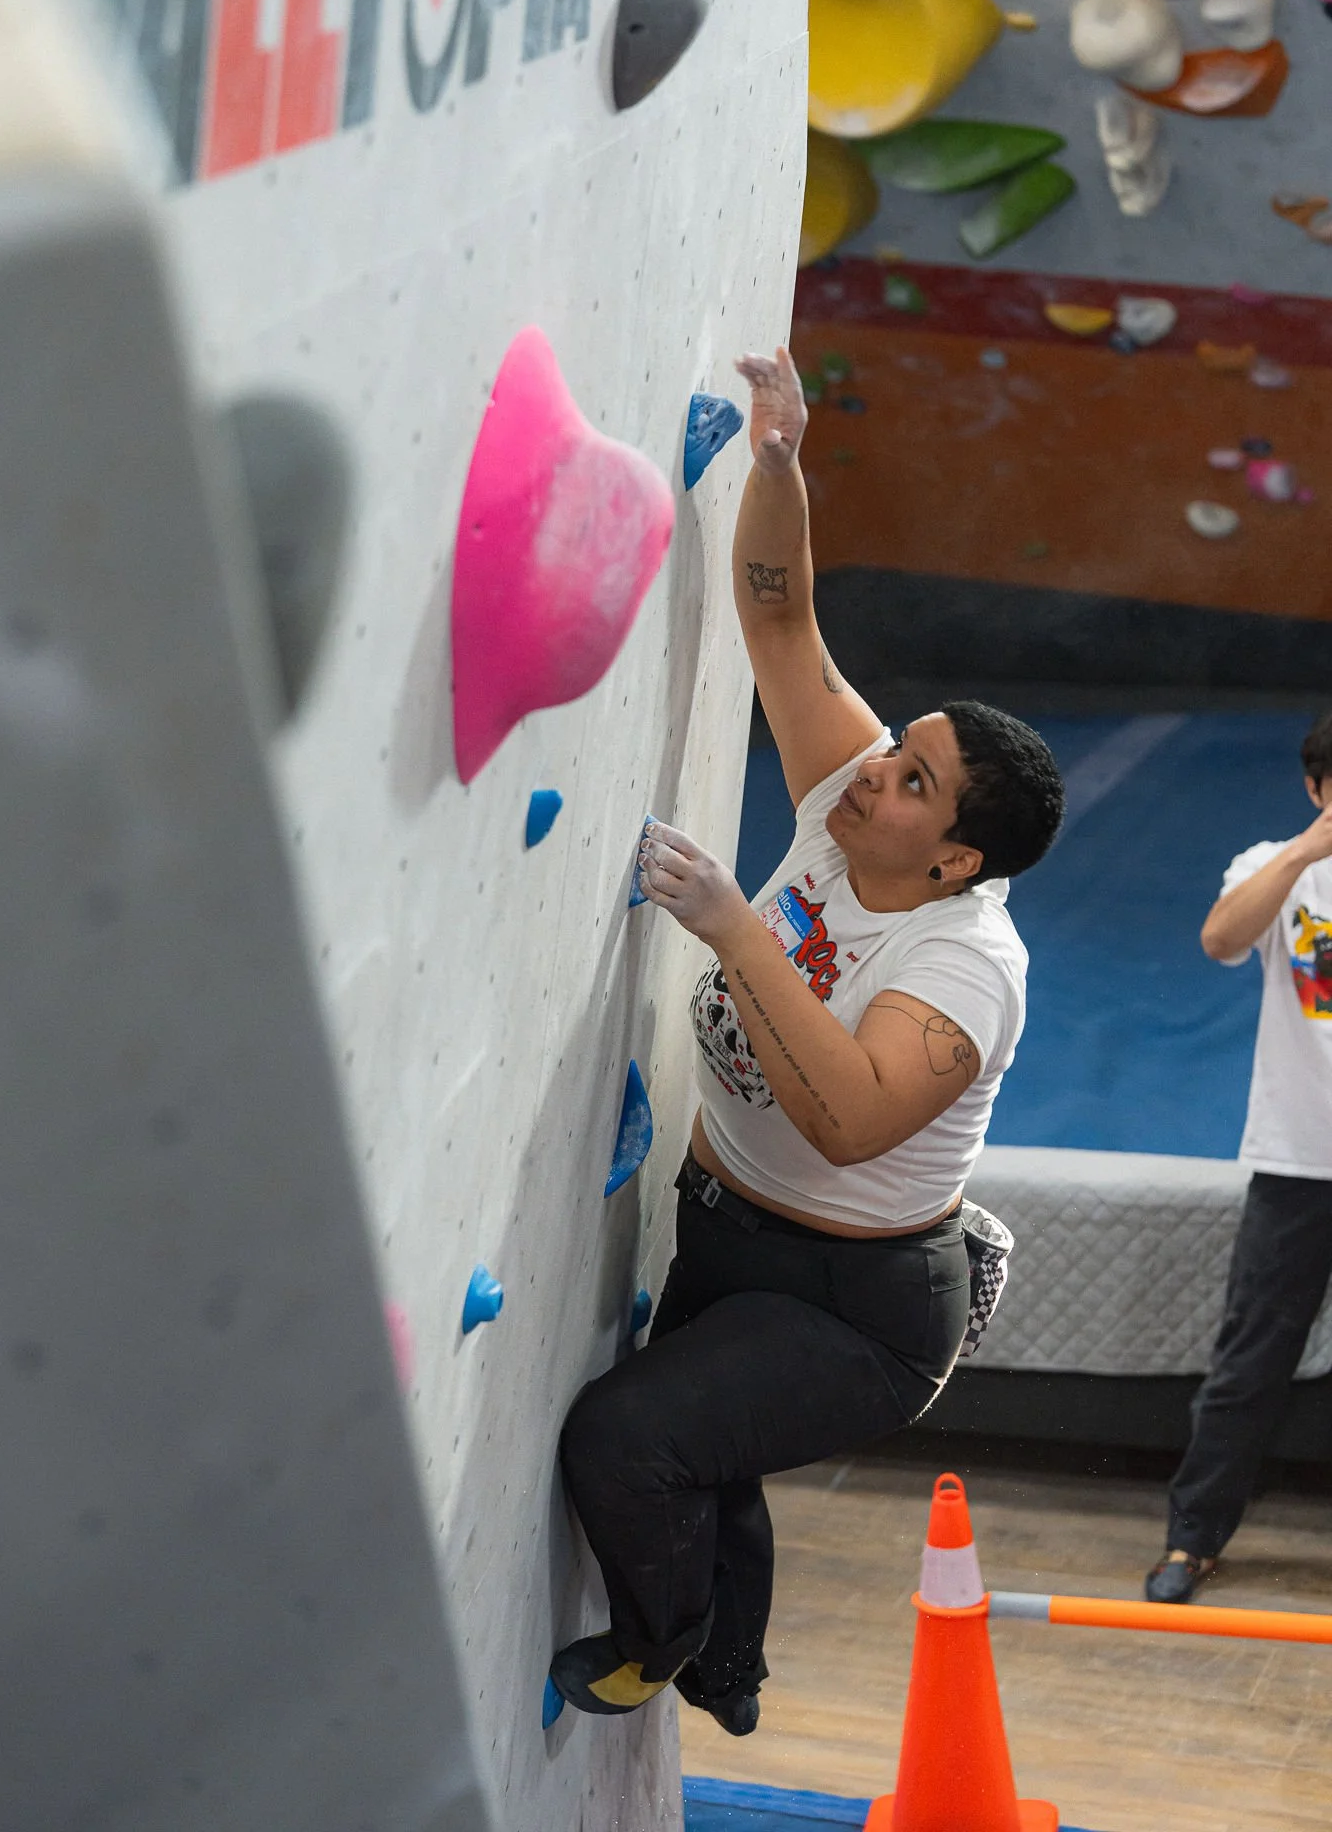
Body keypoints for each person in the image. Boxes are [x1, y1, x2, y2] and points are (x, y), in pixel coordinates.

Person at [550, 347, 1064, 1731]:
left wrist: (733, 928)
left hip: (861, 1306)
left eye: (910, 779)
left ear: (952, 859)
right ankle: (733, 1666)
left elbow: (845, 1117)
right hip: (734, 1226)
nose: (870, 768)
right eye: (897, 743)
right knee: (710, 1445)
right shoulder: (851, 805)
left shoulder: (966, 971)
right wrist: (781, 467)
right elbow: (783, 623)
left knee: (633, 1436)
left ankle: (665, 1643)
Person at [1146, 713, 1332, 1604]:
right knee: (1249, 1363)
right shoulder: (1272, 866)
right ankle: (1193, 1539)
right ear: (1314, 789)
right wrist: (1304, 854)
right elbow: (1221, 940)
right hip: (1298, 1162)